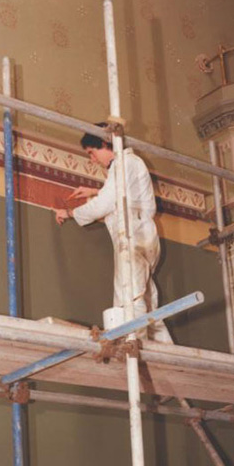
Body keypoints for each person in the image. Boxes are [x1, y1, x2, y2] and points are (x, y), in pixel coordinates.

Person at [54, 124, 172, 343]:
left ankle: (135, 347)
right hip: (142, 234)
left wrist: (70, 212)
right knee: (145, 298)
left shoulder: (124, 163)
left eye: (92, 152)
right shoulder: (129, 164)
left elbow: (106, 204)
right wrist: (95, 191)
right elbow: (123, 197)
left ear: (105, 143)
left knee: (130, 295)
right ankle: (166, 351)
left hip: (132, 236)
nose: (92, 159)